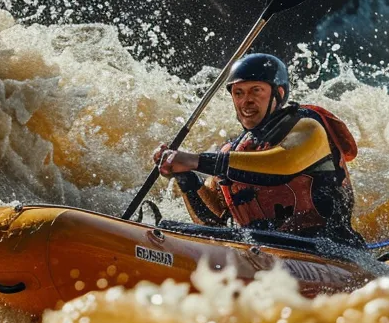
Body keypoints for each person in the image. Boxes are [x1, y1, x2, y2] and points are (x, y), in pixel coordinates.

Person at [152, 53, 365, 247]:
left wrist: (196, 160)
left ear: (278, 94)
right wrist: (184, 175)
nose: (246, 101)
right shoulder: (234, 150)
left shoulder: (308, 127)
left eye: (256, 90)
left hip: (329, 249)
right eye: (239, 93)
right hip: (262, 250)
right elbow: (211, 219)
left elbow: (283, 163)